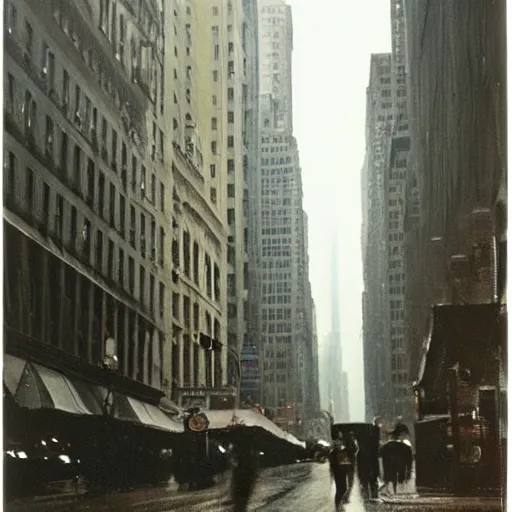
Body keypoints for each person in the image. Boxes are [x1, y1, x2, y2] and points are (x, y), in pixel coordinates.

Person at [328, 432, 353, 510]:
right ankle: (338, 507)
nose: (337, 442)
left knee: (343, 489)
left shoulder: (341, 450)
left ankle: (339, 506)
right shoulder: (333, 452)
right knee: (341, 489)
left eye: (338, 440)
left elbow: (345, 462)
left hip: (342, 472)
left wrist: (348, 469)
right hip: (337, 472)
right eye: (335, 441)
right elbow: (332, 464)